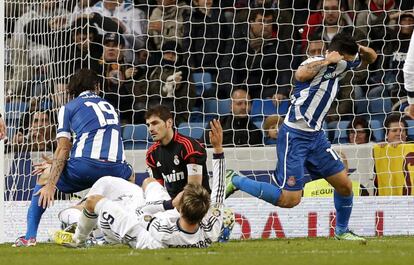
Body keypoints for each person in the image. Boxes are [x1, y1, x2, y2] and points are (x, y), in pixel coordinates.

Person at [226, 32, 377, 241]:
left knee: (344, 185)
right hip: (294, 136)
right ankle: (235, 180)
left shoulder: (342, 64)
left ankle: (341, 231)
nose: (350, 64)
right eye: (347, 59)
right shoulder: (315, 61)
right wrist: (327, 60)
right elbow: (300, 75)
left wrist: (358, 48)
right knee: (289, 199)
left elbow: (371, 58)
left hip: (316, 137)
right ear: (336, 55)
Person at [57, 119, 226, 249]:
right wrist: (218, 149)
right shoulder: (210, 229)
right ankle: (88, 221)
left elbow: (140, 213)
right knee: (148, 182)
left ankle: (80, 238)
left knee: (90, 203)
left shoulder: (160, 230)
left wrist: (168, 204)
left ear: (180, 207)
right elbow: (219, 192)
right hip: (165, 214)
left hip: (136, 229)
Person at [12, 69, 134, 247]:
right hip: (117, 169)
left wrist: (50, 184)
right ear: (97, 87)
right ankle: (125, 230)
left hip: (85, 168)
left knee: (44, 176)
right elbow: (98, 141)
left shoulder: (68, 108)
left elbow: (64, 147)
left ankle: (29, 237)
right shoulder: (110, 107)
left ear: (72, 89)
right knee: (130, 179)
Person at [144, 105, 210, 210]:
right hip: (172, 207)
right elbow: (158, 190)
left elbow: (194, 190)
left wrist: (170, 206)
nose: (150, 129)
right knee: (148, 182)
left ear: (169, 123)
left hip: (197, 206)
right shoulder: (152, 154)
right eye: (148, 125)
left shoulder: (189, 146)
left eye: (155, 123)